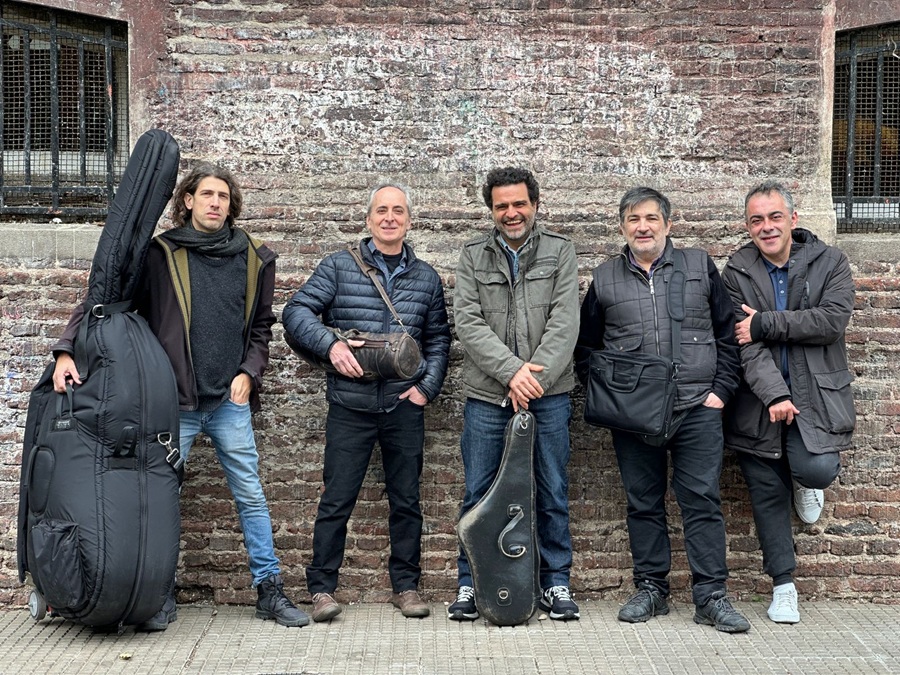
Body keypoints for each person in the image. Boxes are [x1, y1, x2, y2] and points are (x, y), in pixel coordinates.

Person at [51, 163, 309, 630]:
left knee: (250, 495)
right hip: (173, 404)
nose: (215, 203)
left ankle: (269, 590)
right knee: (158, 499)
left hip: (229, 402)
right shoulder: (160, 254)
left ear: (231, 205)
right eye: (207, 194)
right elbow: (105, 300)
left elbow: (261, 328)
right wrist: (66, 349)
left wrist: (249, 373)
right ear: (188, 201)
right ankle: (157, 596)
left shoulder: (254, 257)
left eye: (223, 196)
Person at [575, 186, 750, 633]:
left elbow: (728, 334)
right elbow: (587, 349)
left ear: (669, 224)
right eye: (633, 219)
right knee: (643, 503)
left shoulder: (699, 266)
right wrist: (614, 401)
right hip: (634, 417)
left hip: (697, 408)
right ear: (622, 227)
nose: (643, 227)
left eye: (651, 218)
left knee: (701, 501)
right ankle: (651, 588)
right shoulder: (605, 278)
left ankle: (711, 596)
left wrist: (720, 392)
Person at [282, 182, 450, 622]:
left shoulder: (426, 278)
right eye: (381, 211)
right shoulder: (338, 266)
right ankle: (322, 590)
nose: (389, 218)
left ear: (409, 220)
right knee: (336, 499)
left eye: (398, 211)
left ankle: (406, 587)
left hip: (403, 406)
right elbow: (296, 312)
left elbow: (438, 340)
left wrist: (426, 389)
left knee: (406, 500)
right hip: (350, 406)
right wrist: (331, 345)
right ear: (369, 218)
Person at [451, 167, 581, 622]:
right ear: (492, 210)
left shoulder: (560, 251)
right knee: (478, 491)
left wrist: (532, 381)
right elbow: (468, 322)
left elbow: (565, 323)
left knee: (551, 489)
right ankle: (471, 584)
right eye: (501, 205)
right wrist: (512, 373)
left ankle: (555, 583)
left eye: (519, 203)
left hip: (550, 394)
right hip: (488, 396)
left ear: (535, 204)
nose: (511, 213)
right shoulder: (473, 256)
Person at [721, 181, 853, 624]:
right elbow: (744, 344)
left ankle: (804, 478)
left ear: (793, 219)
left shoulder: (830, 262)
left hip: (816, 397)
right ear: (748, 226)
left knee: (817, 468)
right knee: (765, 492)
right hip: (759, 402)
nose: (767, 227)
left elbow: (830, 322)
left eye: (775, 216)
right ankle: (783, 587)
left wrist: (766, 323)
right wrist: (774, 392)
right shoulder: (737, 272)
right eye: (756, 220)